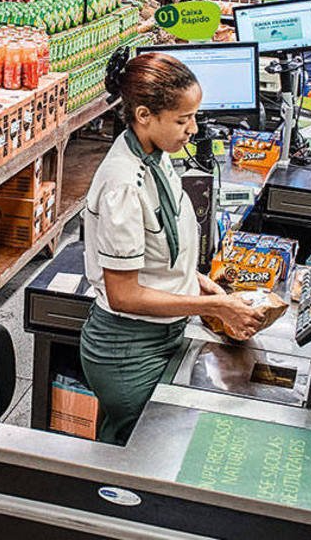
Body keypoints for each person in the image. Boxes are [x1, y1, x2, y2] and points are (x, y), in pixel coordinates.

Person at [80, 50, 263, 446]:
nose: (193, 129)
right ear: (144, 115)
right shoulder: (123, 185)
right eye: (183, 120)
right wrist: (215, 307)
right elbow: (124, 294)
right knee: (137, 456)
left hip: (162, 334)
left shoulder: (155, 154)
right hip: (128, 350)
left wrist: (195, 281)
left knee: (135, 446)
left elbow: (158, 249)